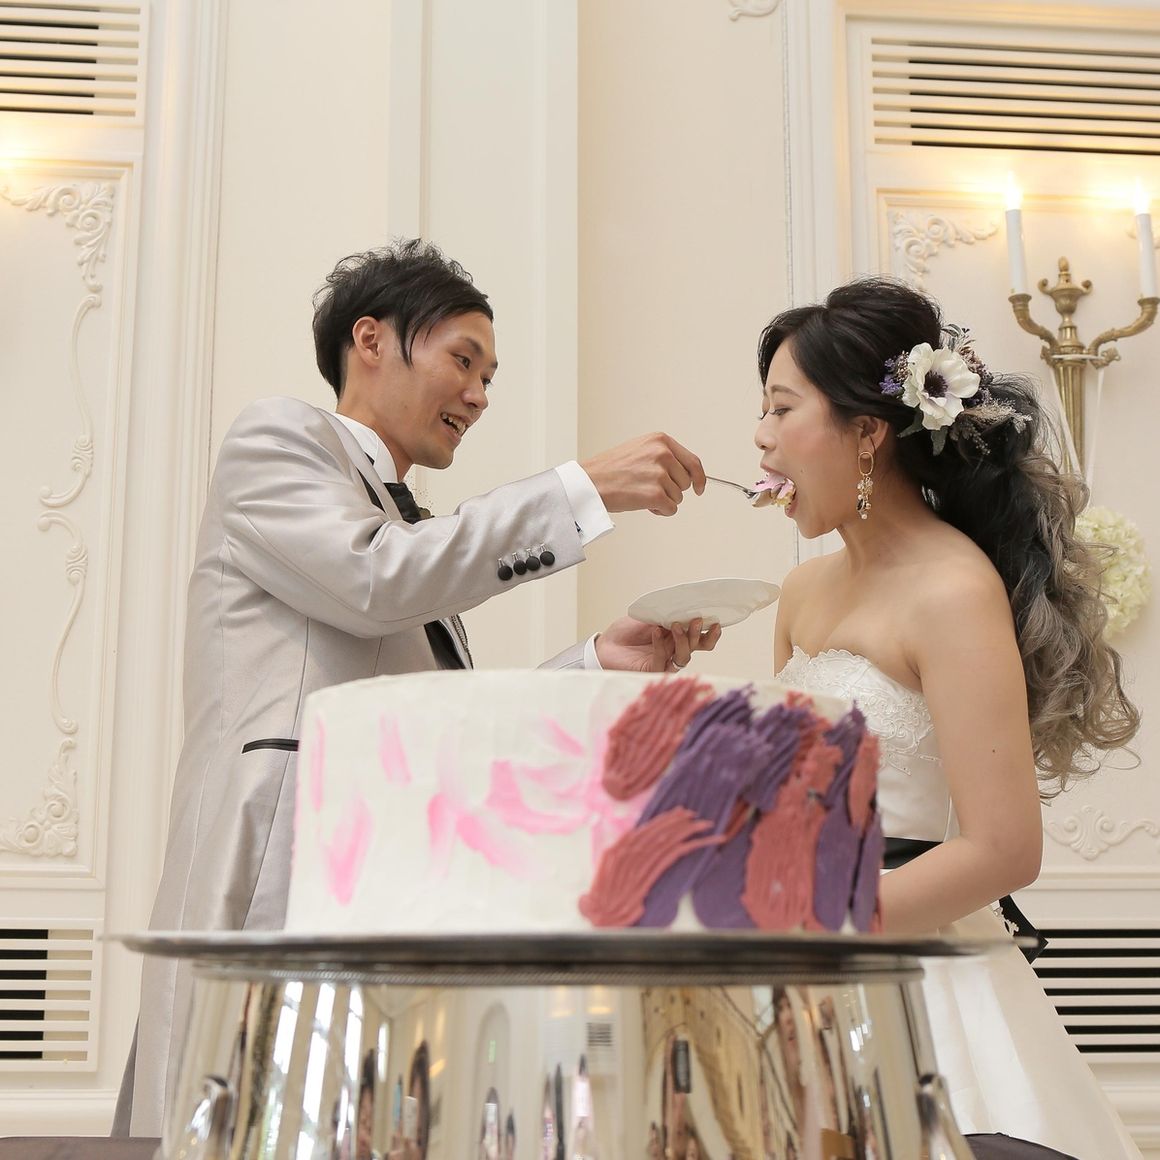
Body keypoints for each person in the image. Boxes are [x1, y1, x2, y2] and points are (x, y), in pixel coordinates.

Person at [113, 239, 721, 1135]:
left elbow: (448, 727)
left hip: (382, 886)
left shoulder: (407, 534)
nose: (478, 395)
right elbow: (376, 580)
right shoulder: (277, 440)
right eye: (463, 361)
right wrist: (580, 490)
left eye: (490, 376)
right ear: (370, 340)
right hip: (284, 870)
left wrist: (597, 660)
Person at [755, 277, 1141, 1157]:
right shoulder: (800, 590)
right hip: (796, 984)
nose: (761, 437)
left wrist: (823, 928)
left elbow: (1004, 851)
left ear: (866, 434)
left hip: (919, 990)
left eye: (781, 408)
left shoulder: (954, 591)